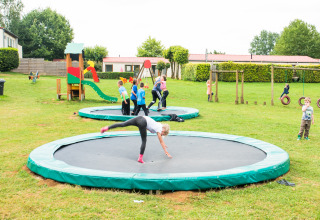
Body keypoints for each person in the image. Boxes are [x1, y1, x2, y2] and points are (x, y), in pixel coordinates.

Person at [100, 116, 172, 163]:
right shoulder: (159, 129)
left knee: (123, 124)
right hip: (143, 122)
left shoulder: (158, 124)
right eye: (163, 134)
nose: (161, 135)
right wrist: (166, 152)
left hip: (139, 118)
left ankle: (106, 128)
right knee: (144, 141)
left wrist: (164, 144)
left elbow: (150, 126)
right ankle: (140, 158)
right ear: (163, 130)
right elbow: (161, 142)